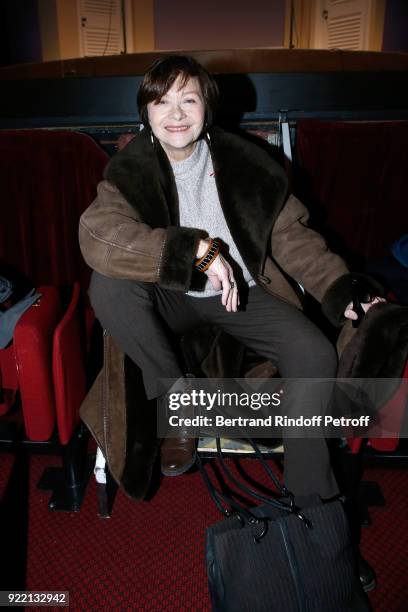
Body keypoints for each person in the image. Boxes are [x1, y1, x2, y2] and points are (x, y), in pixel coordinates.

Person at [79, 54, 382, 589]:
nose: (176, 114)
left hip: (240, 293)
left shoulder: (250, 166)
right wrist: (190, 252)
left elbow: (295, 239)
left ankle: (320, 531)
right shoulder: (126, 172)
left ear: (206, 108)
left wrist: (342, 291)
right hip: (167, 295)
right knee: (107, 283)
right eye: (162, 101)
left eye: (188, 100)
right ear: (145, 112)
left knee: (314, 354)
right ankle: (180, 404)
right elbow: (97, 236)